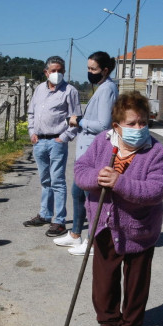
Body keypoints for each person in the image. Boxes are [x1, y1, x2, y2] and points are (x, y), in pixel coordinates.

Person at [74, 91, 163, 326]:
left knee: (136, 283)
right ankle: (108, 322)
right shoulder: (102, 144)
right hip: (103, 225)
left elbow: (155, 190)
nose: (139, 128)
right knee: (103, 280)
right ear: (117, 126)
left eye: (143, 122)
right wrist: (97, 177)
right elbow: (80, 172)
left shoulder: (155, 151)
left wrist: (120, 182)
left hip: (139, 229)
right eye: (132, 123)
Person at [53, 51, 118, 254]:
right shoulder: (102, 87)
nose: (89, 72)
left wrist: (78, 121)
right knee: (77, 193)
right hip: (86, 153)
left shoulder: (107, 89)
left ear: (105, 70)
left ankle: (92, 240)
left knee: (90, 198)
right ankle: (75, 235)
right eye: (88, 68)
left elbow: (103, 124)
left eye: (93, 69)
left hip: (94, 153)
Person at [23, 56, 81, 237]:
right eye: (53, 70)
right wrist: (31, 132)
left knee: (57, 181)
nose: (57, 74)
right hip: (39, 141)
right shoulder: (39, 89)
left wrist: (64, 137)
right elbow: (31, 112)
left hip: (56, 141)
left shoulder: (70, 91)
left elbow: (76, 118)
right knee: (45, 180)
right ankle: (45, 214)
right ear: (46, 72)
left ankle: (59, 220)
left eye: (60, 70)